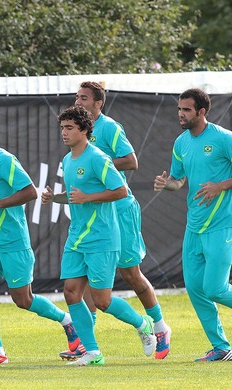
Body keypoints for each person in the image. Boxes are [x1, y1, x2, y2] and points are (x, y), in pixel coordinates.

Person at [0, 113, 82, 364]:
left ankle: (68, 321)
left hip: (12, 241)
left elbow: (31, 191)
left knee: (23, 299)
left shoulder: (3, 160)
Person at [41, 105, 156, 366]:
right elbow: (75, 197)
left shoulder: (97, 158)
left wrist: (88, 197)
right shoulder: (67, 160)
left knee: (102, 300)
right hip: (77, 237)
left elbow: (120, 191)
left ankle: (143, 323)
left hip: (103, 238)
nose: (64, 132)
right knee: (71, 293)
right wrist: (53, 198)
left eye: (69, 128)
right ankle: (92, 353)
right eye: (62, 128)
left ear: (84, 130)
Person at [67, 81, 171, 360]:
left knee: (130, 273)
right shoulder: (76, 137)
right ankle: (86, 344)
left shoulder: (109, 128)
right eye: (76, 97)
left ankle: (160, 326)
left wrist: (99, 164)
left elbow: (131, 161)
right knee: (85, 277)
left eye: (84, 98)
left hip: (120, 208)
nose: (78, 101)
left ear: (98, 104)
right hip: (97, 211)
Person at [154, 88, 232, 362]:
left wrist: (221, 186)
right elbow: (178, 181)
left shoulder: (223, 139)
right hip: (194, 228)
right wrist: (168, 185)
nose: (180, 114)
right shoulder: (181, 143)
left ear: (202, 111)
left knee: (215, 289)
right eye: (179, 109)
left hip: (222, 226)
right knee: (197, 290)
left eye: (186, 110)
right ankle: (221, 347)